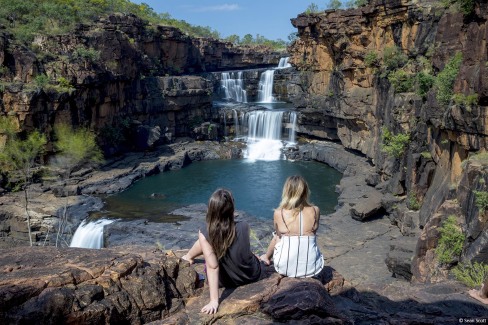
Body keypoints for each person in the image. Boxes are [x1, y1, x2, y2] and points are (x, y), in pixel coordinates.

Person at [181, 189, 262, 314]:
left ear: (211, 209)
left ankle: (188, 256)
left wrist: (214, 301)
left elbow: (213, 267)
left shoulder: (205, 231)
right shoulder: (244, 225)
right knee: (205, 239)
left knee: (204, 239)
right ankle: (189, 255)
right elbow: (241, 250)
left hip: (224, 281)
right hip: (250, 276)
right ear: (232, 208)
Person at [260, 175, 324, 277]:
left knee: (278, 237)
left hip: (284, 268)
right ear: (305, 191)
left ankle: (266, 257)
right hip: (313, 268)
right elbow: (312, 235)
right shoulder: (315, 210)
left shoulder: (279, 213)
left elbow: (277, 237)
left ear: (287, 192)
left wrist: (268, 255)